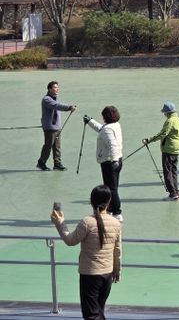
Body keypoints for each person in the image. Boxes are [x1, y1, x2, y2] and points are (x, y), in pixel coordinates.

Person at [51, 185, 122, 320]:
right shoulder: (116, 223)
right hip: (107, 275)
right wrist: (117, 271)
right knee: (98, 312)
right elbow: (117, 251)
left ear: (91, 201)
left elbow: (70, 240)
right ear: (109, 202)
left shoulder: (87, 222)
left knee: (91, 315)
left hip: (90, 275)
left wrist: (59, 223)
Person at [84, 107, 124, 221]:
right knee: (111, 187)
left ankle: (117, 213)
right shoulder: (115, 125)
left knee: (112, 189)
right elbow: (102, 129)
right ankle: (110, 209)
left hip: (110, 162)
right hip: (117, 160)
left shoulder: (108, 129)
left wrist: (114, 160)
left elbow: (113, 145)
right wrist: (90, 121)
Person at [143, 102, 179, 200]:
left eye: (164, 112)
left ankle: (173, 194)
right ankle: (176, 192)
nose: (164, 114)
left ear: (167, 112)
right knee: (173, 171)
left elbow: (162, 134)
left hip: (168, 149)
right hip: (176, 150)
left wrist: (149, 140)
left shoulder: (170, 121)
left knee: (167, 172)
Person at [37, 81, 77, 171]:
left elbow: (57, 105)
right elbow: (56, 106)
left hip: (57, 127)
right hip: (50, 128)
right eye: (55, 87)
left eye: (58, 87)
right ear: (49, 89)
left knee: (57, 147)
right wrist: (69, 107)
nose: (57, 89)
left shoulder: (55, 99)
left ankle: (57, 163)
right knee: (48, 146)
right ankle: (41, 162)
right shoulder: (46, 99)